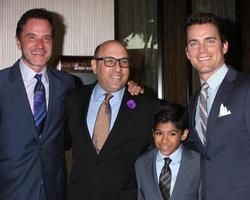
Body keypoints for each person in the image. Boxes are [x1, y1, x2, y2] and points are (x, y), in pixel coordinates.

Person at [64, 40, 159, 200]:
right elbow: (60, 142)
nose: (118, 68)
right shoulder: (74, 100)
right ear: (94, 65)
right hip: (79, 194)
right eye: (109, 61)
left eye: (124, 62)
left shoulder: (146, 105)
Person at [0, 8, 75, 200]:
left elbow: (68, 135)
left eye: (47, 38)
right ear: (18, 41)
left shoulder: (66, 84)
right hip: (10, 191)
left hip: (54, 191)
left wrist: (128, 88)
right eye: (32, 37)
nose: (40, 45)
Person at [186, 12, 250, 200]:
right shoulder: (195, 99)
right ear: (187, 53)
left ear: (224, 46)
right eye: (194, 43)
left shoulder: (246, 88)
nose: (202, 50)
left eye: (210, 41)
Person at [135, 102, 201, 200]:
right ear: (153, 133)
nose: (164, 140)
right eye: (159, 133)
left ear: (184, 134)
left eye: (172, 134)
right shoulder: (142, 164)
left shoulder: (198, 163)